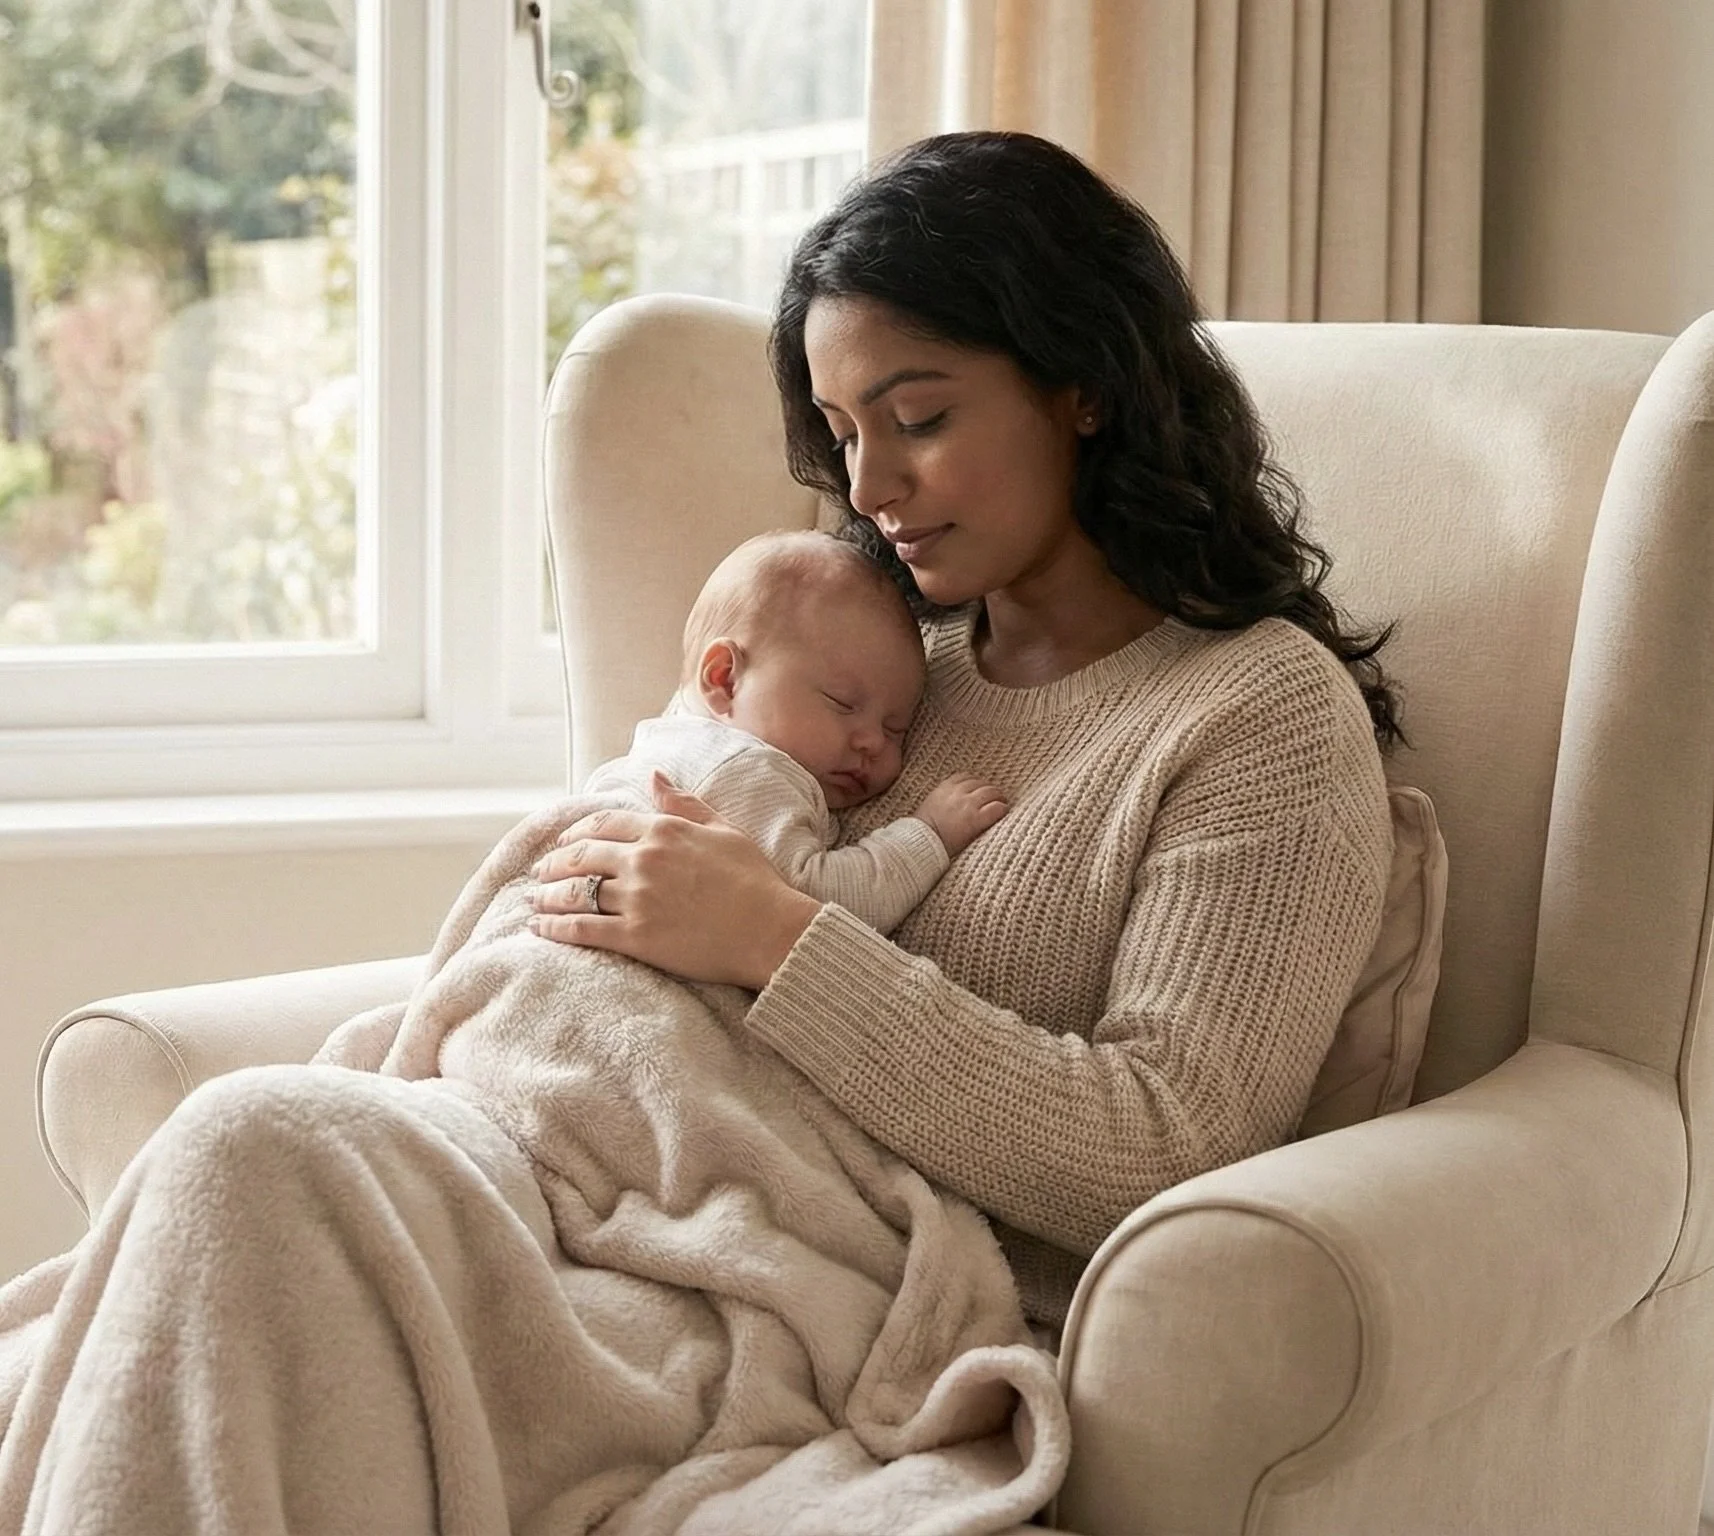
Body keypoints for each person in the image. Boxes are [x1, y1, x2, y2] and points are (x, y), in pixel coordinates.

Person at [528, 129, 1399, 1330]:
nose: (869, 486)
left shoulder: (1260, 718)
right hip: (633, 1203)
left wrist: (777, 939)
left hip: (862, 1310)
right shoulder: (869, 656)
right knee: (264, 1144)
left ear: (1080, 386)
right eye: (841, 433)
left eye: (919, 418)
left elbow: (1167, 1150)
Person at [574, 526, 1010, 936]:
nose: (874, 743)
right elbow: (811, 912)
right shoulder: (742, 769)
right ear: (725, 680)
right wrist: (929, 832)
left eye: (896, 729)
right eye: (842, 703)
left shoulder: (666, 744)